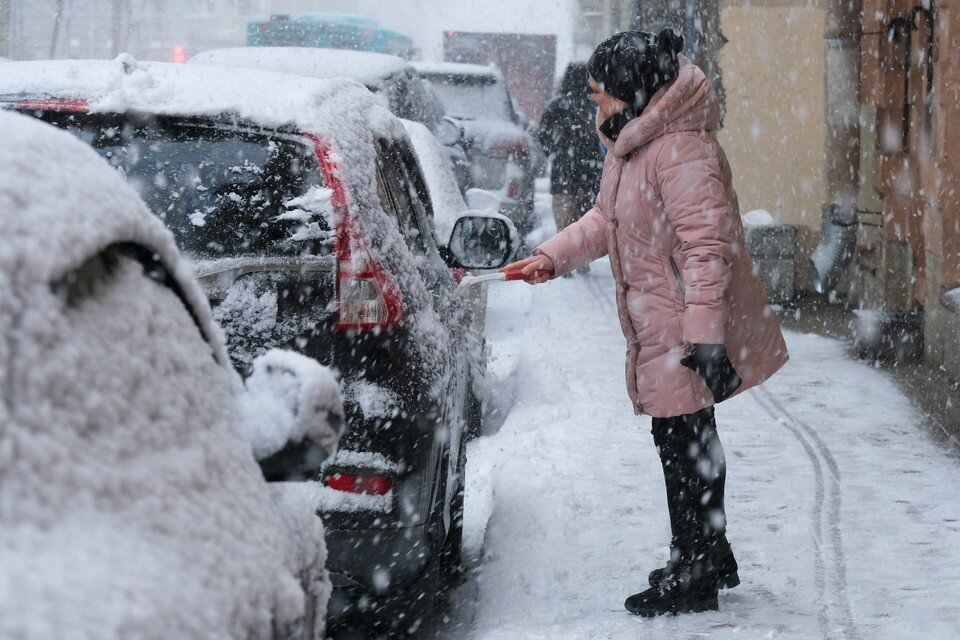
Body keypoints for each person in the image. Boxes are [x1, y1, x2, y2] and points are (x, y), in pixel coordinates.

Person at [502, 28, 789, 617]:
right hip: (662, 324)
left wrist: (706, 339)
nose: (594, 103)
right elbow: (606, 221)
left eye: (600, 92)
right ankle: (707, 550)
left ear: (631, 92)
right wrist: (550, 257)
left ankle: (697, 568)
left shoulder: (680, 150)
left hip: (684, 325)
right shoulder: (634, 145)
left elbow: (708, 251)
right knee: (682, 438)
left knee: (685, 441)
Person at [537, 63, 604, 275]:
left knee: (564, 221)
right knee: (584, 219)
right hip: (591, 174)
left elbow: (544, 135)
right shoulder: (597, 106)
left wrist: (555, 154)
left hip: (563, 174)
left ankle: (562, 260)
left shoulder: (557, 105)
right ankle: (580, 259)